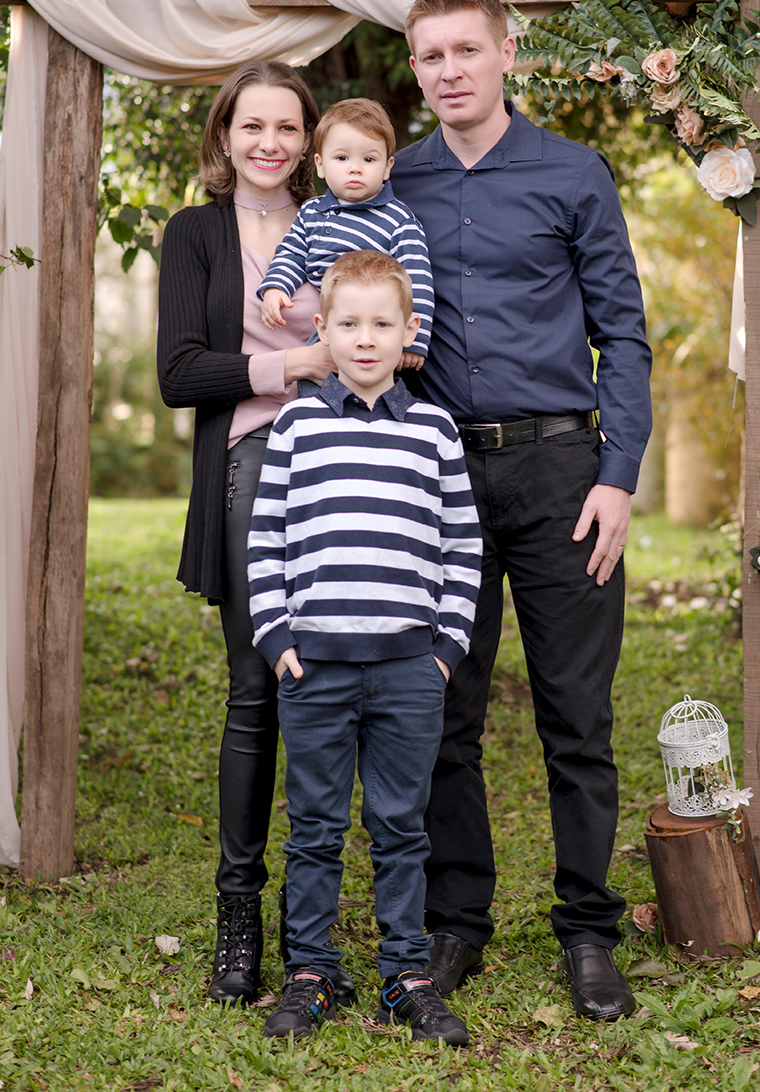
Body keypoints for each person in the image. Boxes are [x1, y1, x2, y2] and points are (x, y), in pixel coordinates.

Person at [390, 0, 653, 1023]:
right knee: (441, 708)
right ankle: (455, 918)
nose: (447, 70)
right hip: (435, 476)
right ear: (414, 70)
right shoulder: (390, 180)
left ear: (507, 53)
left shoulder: (572, 173)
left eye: (464, 49)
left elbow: (622, 334)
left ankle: (588, 928)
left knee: (574, 714)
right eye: (427, 56)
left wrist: (617, 474)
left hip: (559, 474)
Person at [157, 59, 354, 1009]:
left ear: (310, 140)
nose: (269, 144)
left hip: (351, 466)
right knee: (257, 684)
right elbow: (181, 372)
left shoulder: (343, 224)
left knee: (336, 681)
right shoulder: (194, 233)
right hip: (253, 459)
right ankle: (241, 914)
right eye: (251, 127)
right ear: (224, 137)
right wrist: (302, 362)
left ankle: (317, 926)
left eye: (287, 128)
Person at [247, 250, 483, 1043]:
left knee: (401, 825)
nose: (366, 338)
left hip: (409, 668)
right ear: (324, 329)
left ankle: (406, 974)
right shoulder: (297, 424)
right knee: (314, 824)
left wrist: (445, 649)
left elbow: (462, 546)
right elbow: (267, 539)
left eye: (383, 323)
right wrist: (276, 634)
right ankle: (312, 971)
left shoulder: (435, 429)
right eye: (349, 323)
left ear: (410, 331)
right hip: (315, 665)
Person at [258, 98, 433, 372]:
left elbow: (418, 283)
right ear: (320, 164)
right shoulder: (312, 212)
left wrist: (414, 342)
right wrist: (276, 286)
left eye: (369, 159)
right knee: (313, 382)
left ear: (387, 167)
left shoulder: (398, 221)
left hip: (374, 331)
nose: (355, 167)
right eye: (341, 158)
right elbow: (291, 253)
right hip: (326, 330)